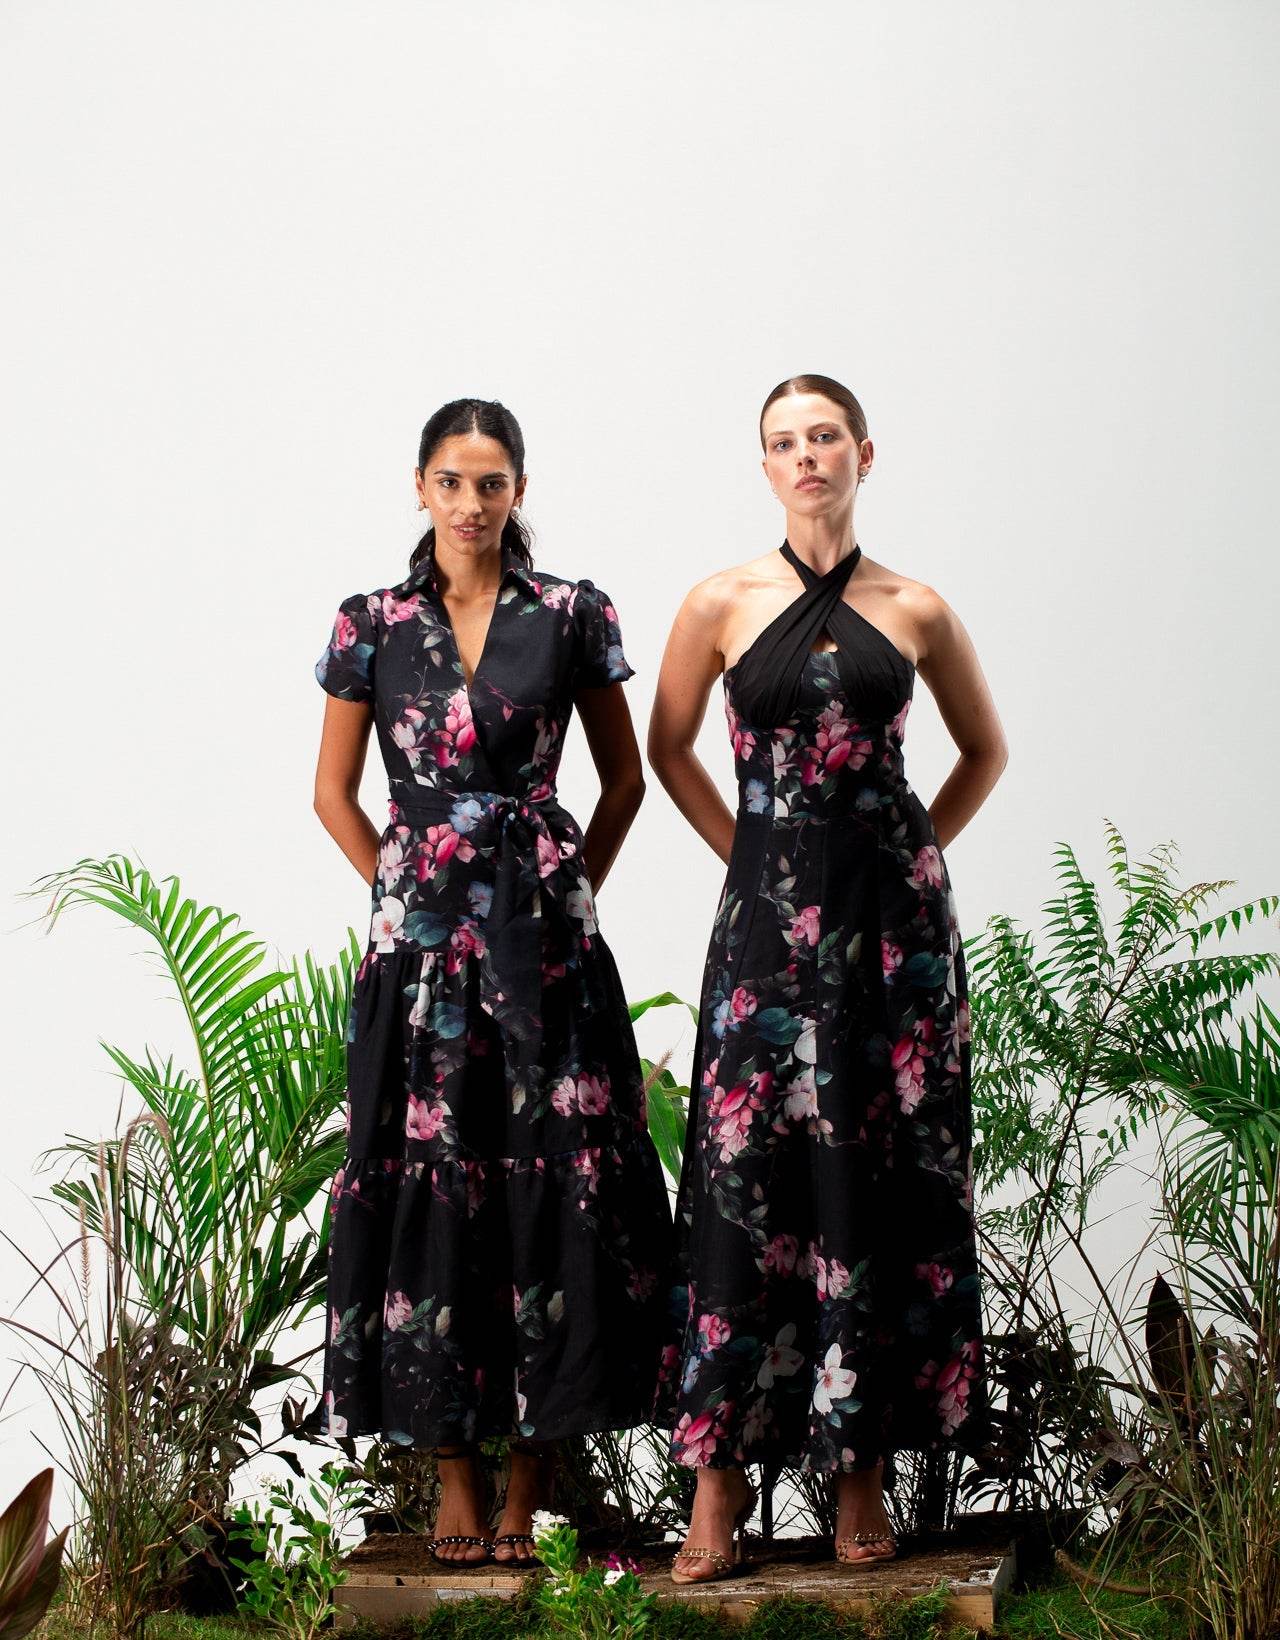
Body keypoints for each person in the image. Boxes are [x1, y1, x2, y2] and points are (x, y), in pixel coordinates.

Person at [647, 374, 1007, 1582]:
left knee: (874, 1172)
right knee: (741, 1177)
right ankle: (714, 1491)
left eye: (824, 437)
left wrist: (909, 855)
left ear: (863, 452)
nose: (805, 456)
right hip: (764, 925)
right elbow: (667, 748)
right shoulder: (718, 600)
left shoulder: (915, 606)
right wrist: (749, 855)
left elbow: (983, 749)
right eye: (782, 442)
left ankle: (860, 1474)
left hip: (892, 932)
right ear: (764, 466)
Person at [313, 398, 673, 1566]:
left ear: (517, 490)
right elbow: (330, 794)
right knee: (430, 1186)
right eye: (452, 481)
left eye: (492, 483)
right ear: (418, 486)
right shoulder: (370, 622)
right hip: (418, 964)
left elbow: (624, 780)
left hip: (545, 950)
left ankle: (528, 1483)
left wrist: (560, 893)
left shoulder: (569, 612)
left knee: (552, 1186)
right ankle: (453, 1476)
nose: (471, 503)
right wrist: (411, 897)